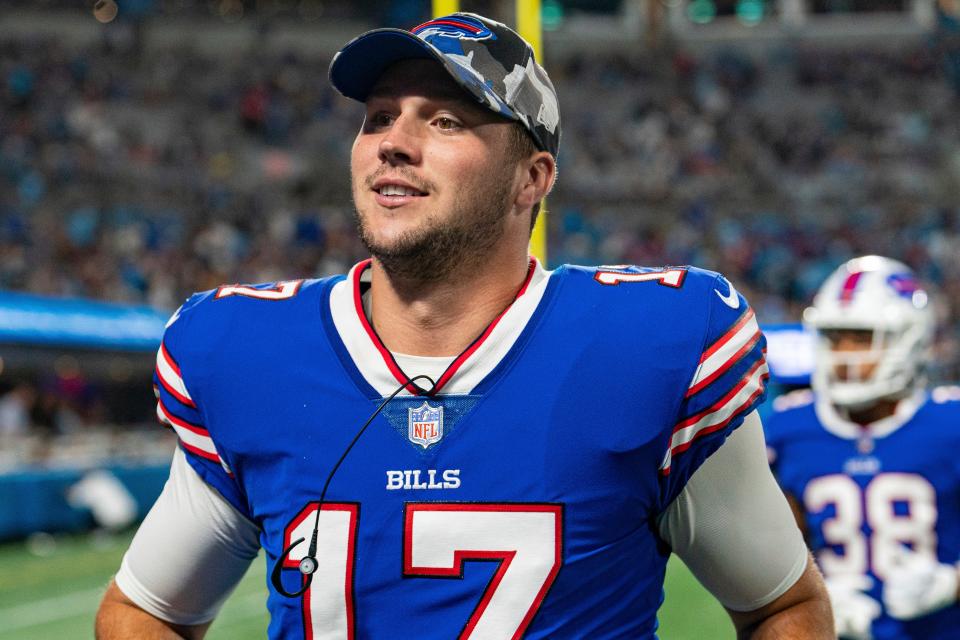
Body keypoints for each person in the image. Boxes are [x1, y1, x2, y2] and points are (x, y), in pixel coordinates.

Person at [96, 12, 831, 639]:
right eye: (379, 117)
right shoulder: (252, 354)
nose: (394, 141)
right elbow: (145, 608)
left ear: (531, 179)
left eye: (444, 120)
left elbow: (784, 605)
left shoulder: (644, 351)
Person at [765, 255, 960, 639]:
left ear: (911, 340)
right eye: (836, 338)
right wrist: (809, 595)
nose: (846, 355)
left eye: (862, 337)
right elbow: (767, 551)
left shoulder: (949, 424)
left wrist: (952, 583)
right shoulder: (790, 429)